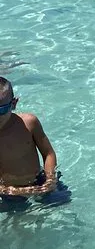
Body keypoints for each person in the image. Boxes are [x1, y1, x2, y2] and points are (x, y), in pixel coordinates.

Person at [0, 77, 71, 210]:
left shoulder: (29, 124)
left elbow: (48, 153)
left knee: (63, 205)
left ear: (13, 104)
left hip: (39, 180)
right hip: (9, 191)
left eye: (1, 110)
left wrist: (50, 179)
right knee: (19, 217)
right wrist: (11, 191)